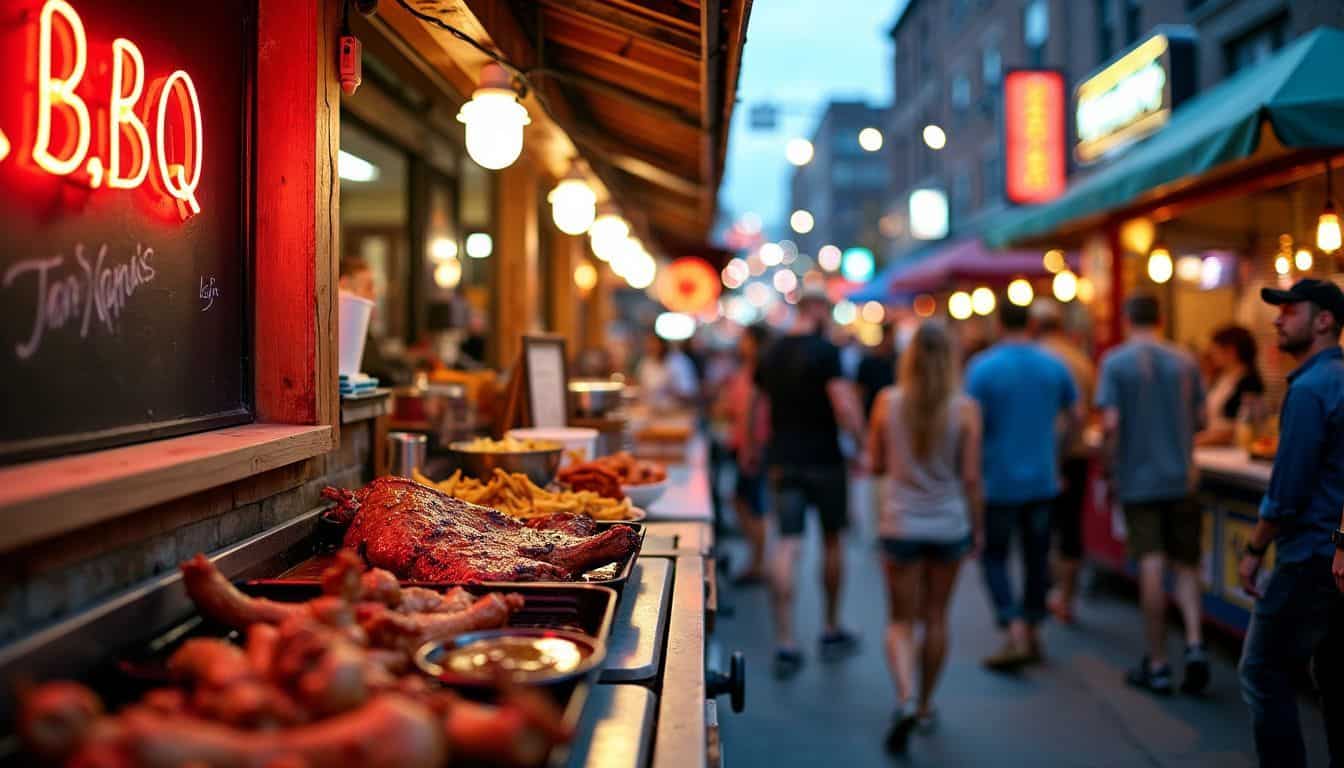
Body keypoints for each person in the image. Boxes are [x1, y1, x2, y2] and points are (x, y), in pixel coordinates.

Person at [1236, 279, 1344, 767]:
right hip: (1335, 553)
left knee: (1261, 670)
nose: (1277, 319)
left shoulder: (1310, 389)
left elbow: (1286, 493)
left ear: (1324, 321)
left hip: (1309, 555)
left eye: (1289, 310)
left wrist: (1254, 549)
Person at [867, 321, 982, 754]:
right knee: (937, 617)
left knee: (900, 621)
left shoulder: (887, 402)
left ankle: (905, 698)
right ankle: (928, 704)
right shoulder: (966, 409)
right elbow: (971, 478)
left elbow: (875, 464)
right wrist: (979, 527)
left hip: (900, 524)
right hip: (949, 524)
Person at [1095, 295, 1208, 695]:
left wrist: (1110, 471)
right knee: (1188, 564)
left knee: (1152, 565)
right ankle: (1195, 645)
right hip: (1182, 478)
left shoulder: (1115, 362)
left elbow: (1110, 424)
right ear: (1161, 317)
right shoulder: (1186, 361)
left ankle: (1158, 662)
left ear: (1127, 319)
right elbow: (1201, 421)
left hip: (1139, 480)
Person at [756, 289, 867, 679]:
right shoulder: (825, 350)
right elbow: (842, 402)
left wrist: (758, 449)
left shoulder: (771, 353)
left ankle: (785, 640)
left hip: (783, 460)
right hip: (824, 461)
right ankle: (830, 627)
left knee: (787, 543)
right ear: (818, 310)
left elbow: (760, 406)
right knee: (832, 539)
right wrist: (862, 443)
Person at [965, 300, 1078, 671]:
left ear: (998, 324)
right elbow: (1076, 416)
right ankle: (1032, 631)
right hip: (1043, 480)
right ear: (1031, 324)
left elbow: (971, 427)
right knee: (1036, 557)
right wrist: (1058, 453)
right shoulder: (1053, 365)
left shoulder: (982, 368)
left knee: (994, 555)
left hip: (998, 480)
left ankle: (1012, 625)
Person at [1031, 301, 1096, 625]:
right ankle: (1066, 597)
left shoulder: (1038, 360)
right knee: (1071, 528)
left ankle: (1047, 594)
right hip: (1078, 454)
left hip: (1047, 455)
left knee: (1044, 529)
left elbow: (1066, 417)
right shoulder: (1080, 359)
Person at [715, 324, 772, 584]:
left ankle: (760, 563)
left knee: (752, 502)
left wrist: (750, 446)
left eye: (746, 340)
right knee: (742, 500)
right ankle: (757, 558)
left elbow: (752, 411)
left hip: (754, 444)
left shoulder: (761, 372)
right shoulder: (746, 370)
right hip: (744, 443)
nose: (741, 343)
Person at [1195, 325, 1265, 447]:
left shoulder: (1250, 383)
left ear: (1231, 351)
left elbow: (1239, 426)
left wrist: (1194, 441)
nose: (1212, 354)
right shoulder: (1221, 378)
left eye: (1215, 349)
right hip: (1211, 445)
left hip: (1233, 448)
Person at [635, 333, 698, 411]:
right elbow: (640, 387)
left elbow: (690, 394)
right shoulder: (646, 363)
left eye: (654, 345)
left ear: (663, 345)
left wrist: (671, 389)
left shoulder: (679, 362)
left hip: (678, 412)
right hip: (651, 411)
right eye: (649, 345)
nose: (651, 348)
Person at [856, 323, 898, 419]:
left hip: (891, 412)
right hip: (872, 411)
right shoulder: (868, 362)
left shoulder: (897, 360)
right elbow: (860, 391)